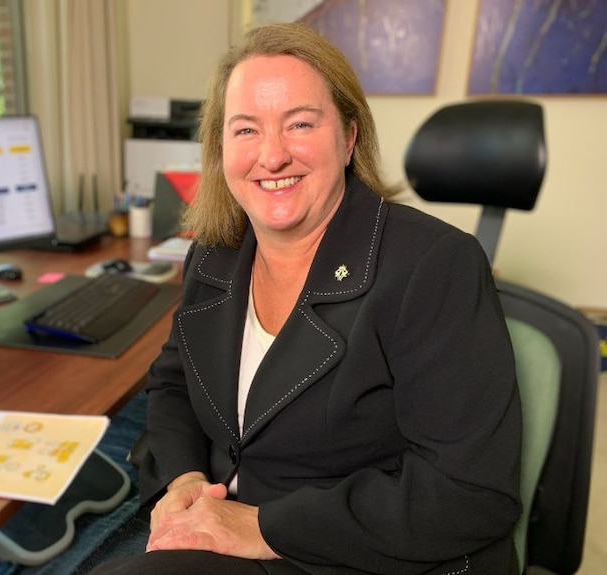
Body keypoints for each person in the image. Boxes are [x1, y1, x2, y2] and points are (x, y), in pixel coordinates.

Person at [93, 22, 521, 575]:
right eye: (245, 130)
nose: (271, 157)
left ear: (348, 137)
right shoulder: (215, 255)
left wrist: (260, 526)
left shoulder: (435, 266)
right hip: (228, 524)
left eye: (299, 124)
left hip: (355, 555)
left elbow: (471, 491)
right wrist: (185, 479)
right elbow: (174, 383)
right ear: (219, 148)